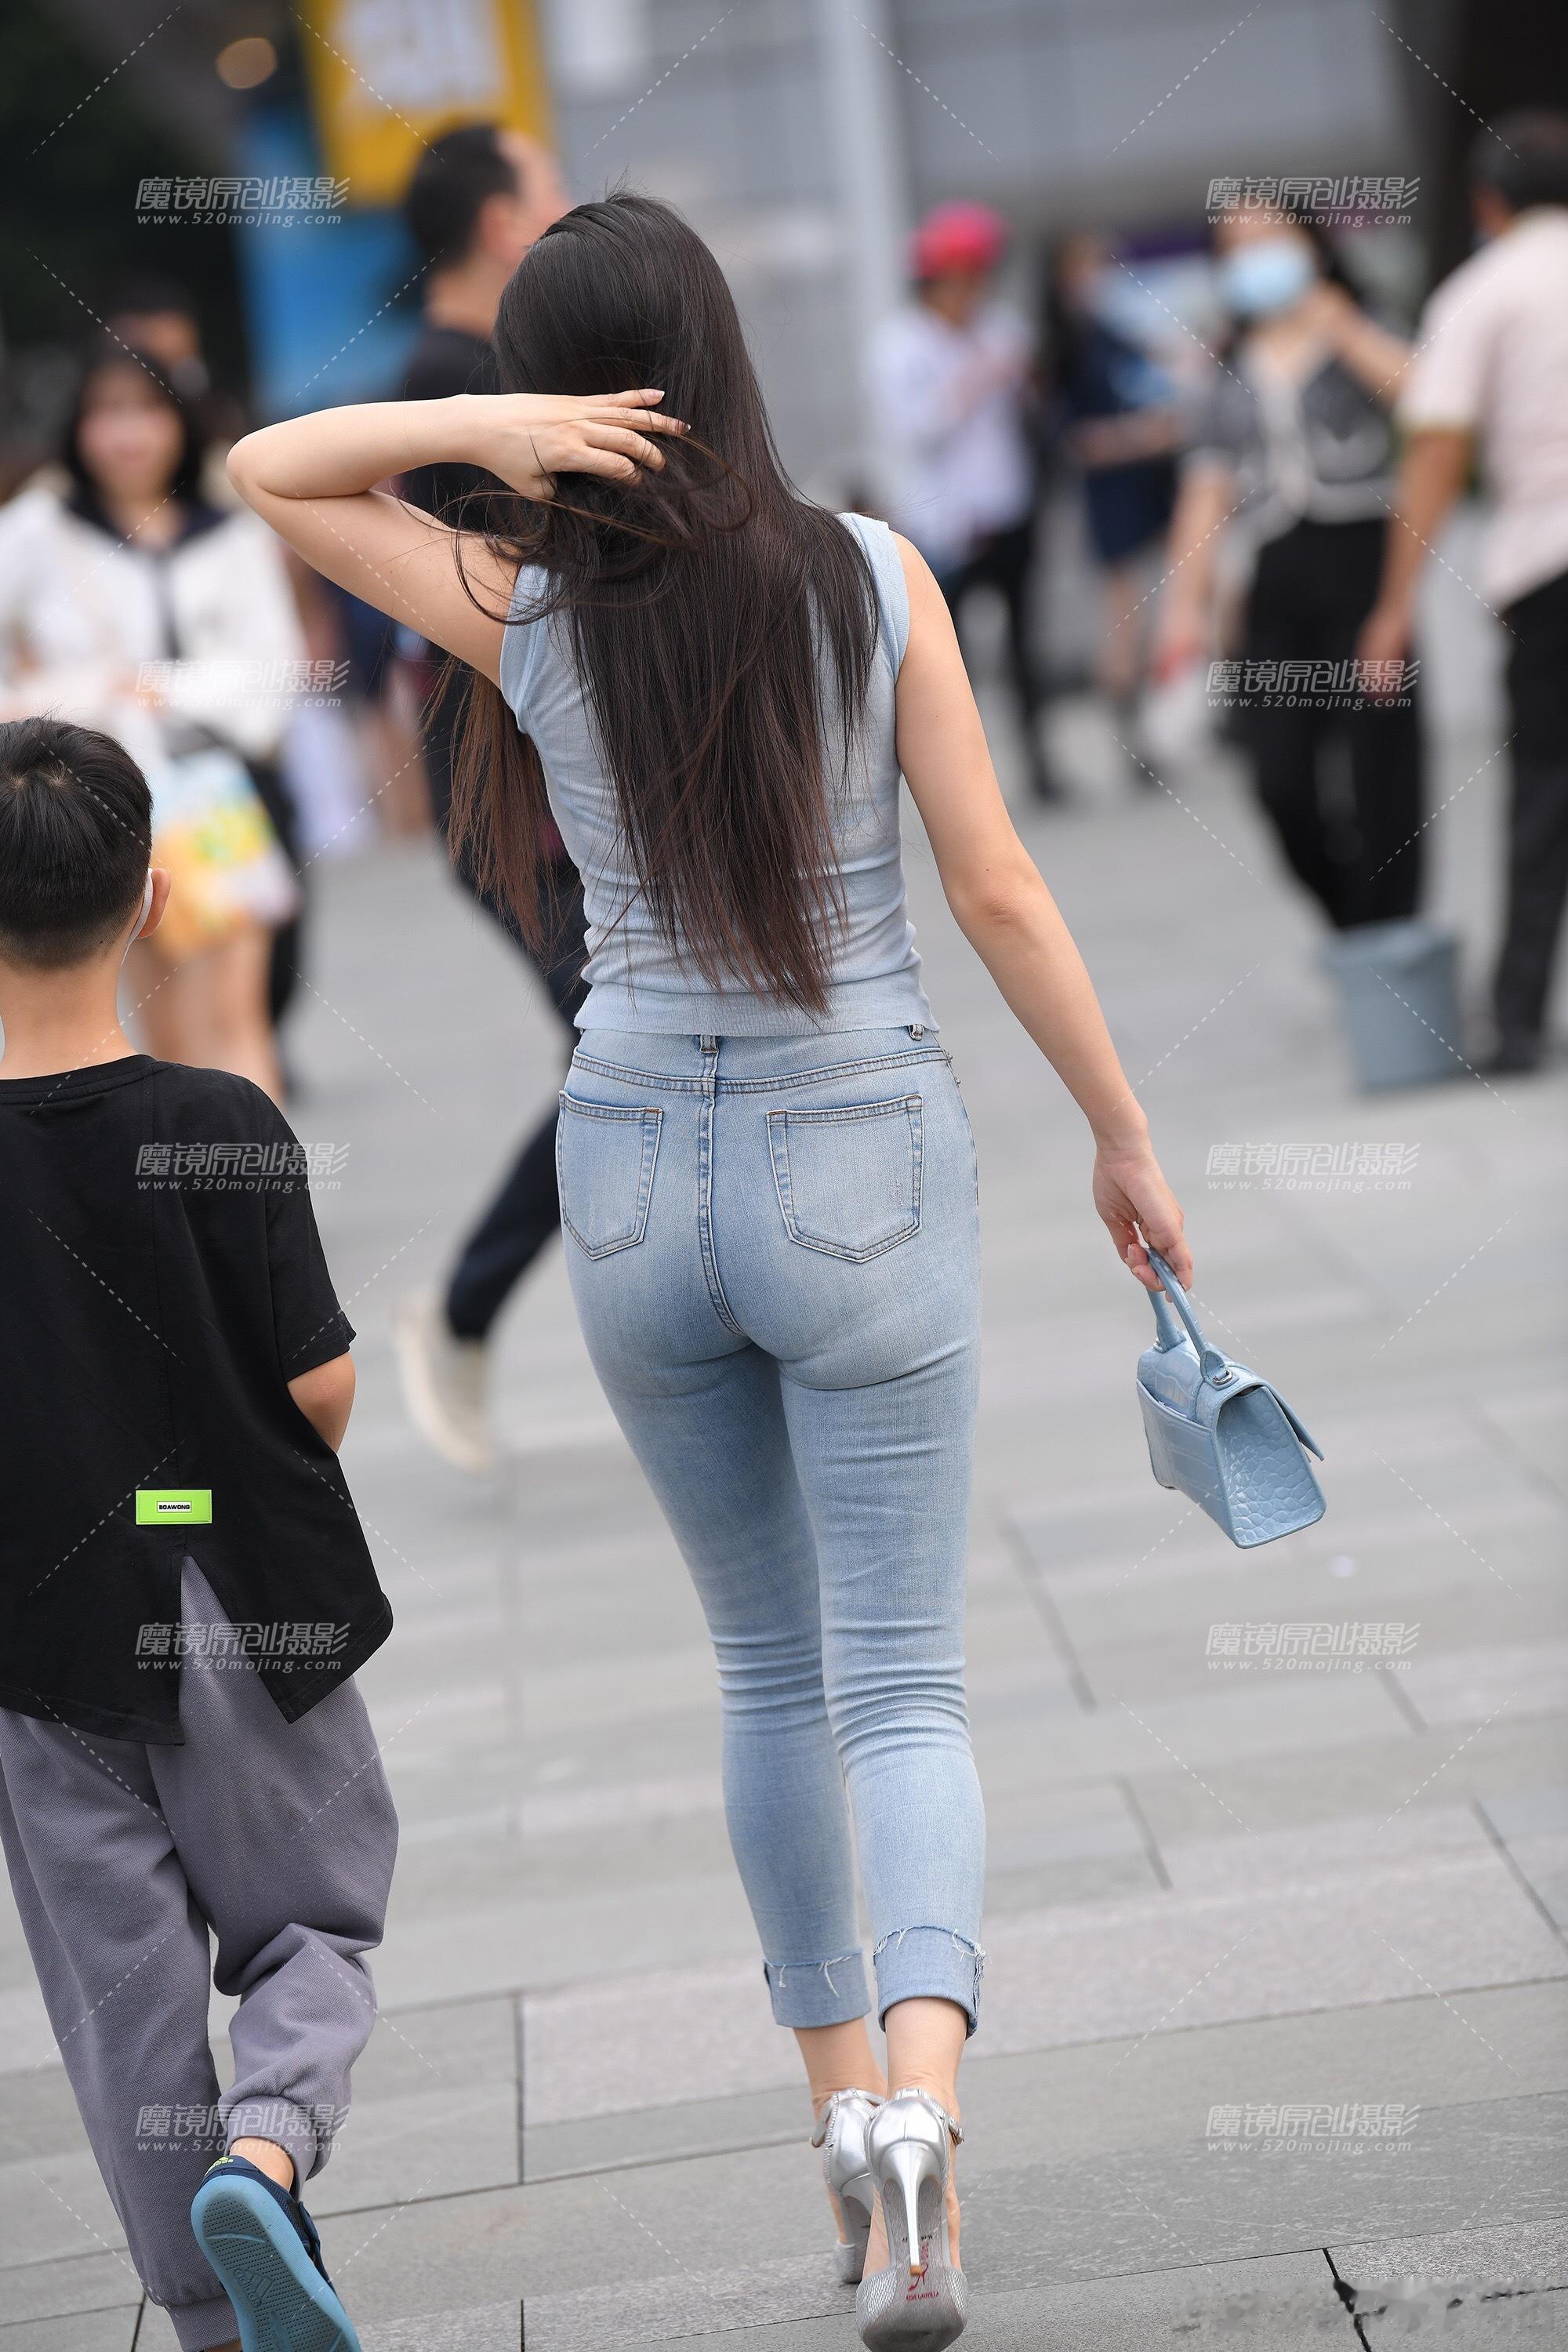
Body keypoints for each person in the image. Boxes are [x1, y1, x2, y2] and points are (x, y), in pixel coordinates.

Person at [225, 191, 1191, 2350]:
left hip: (633, 1168)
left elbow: (267, 470)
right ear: (725, 356)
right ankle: (926, 2127)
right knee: (902, 1683)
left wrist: (486, 435)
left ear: (564, 390)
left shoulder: (526, 607)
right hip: (862, 1157)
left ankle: (838, 2117)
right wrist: (1119, 1135)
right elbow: (997, 887)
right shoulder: (874, 576)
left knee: (766, 1678)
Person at [0, 716, 397, 2352]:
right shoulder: (219, 1115)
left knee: (127, 2006)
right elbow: (318, 1387)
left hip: (40, 1634)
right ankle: (268, 2151)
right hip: (240, 1594)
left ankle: (215, 2317)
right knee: (314, 1921)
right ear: (154, 900)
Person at [391, 118, 584, 1471]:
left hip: (548, 797)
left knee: (630, 1056)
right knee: (628, 1056)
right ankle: (459, 1307)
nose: (567, 201)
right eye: (550, 183)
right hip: (515, 809)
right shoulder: (457, 389)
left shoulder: (482, 376)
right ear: (504, 224)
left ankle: (467, 1309)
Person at [0, 340, 305, 1097]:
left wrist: (160, 687)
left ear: (181, 423)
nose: (128, 434)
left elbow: (276, 670)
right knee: (159, 1031)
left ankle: (248, 1169)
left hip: (214, 790)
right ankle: (178, 1171)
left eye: (148, 411)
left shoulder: (229, 528)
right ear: (78, 426)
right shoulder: (40, 527)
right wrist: (83, 694)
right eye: (107, 413)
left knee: (236, 1018)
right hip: (95, 797)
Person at [1360, 112, 1568, 1073]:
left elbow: (1436, 450)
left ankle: (1516, 1019)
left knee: (1545, 793)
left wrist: (1392, 604)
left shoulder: (1482, 292)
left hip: (1550, 570)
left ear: (1488, 203)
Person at [1152, 200, 1420, 927]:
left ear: (1311, 245)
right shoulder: (1226, 368)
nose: (1254, 256)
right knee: (1280, 780)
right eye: (1236, 246)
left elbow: (1426, 400)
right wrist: (1182, 613)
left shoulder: (1361, 328)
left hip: (1365, 565)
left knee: (1381, 773)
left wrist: (1342, 325)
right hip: (1275, 576)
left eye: (1270, 238)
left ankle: (1389, 936)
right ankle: (1353, 922)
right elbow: (1204, 497)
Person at [869, 200, 1061, 801]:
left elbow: (1034, 408)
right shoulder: (899, 345)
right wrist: (975, 380)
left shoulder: (1002, 329)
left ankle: (1041, 764)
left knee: (1026, 644)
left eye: (980, 276)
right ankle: (965, 785)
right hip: (943, 523)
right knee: (949, 662)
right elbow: (914, 429)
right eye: (963, 277)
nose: (974, 290)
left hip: (1009, 507)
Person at [1044, 230, 1182, 772]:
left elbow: (1160, 389)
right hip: (1112, 499)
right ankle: (1132, 738)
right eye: (1086, 268)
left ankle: (1171, 721)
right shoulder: (1064, 348)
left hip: (1154, 488)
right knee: (1125, 619)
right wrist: (1139, 437)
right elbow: (1075, 441)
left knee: (1174, 606)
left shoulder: (1116, 333)